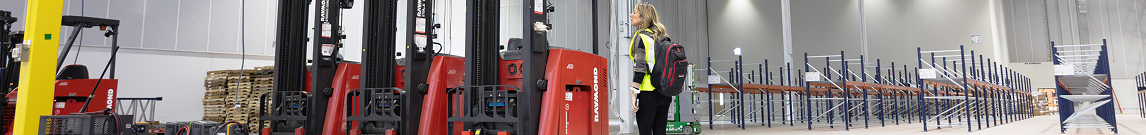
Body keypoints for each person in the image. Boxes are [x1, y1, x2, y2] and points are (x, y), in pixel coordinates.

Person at [628, 2, 671, 135]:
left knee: (645, 132)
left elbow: (640, 67)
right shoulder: (662, 36)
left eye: (634, 12)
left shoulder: (641, 37)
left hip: (648, 93)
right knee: (660, 132)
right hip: (664, 92)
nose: (631, 15)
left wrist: (633, 93)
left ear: (643, 17)